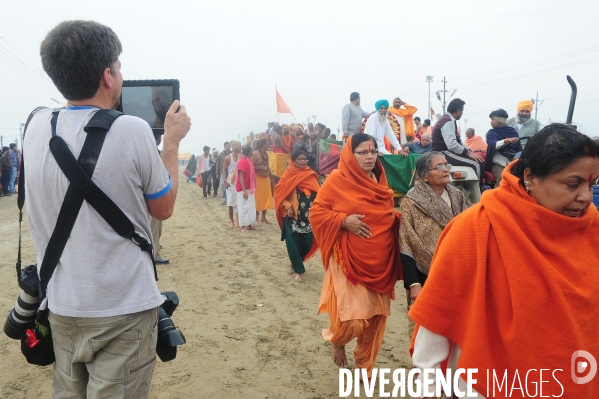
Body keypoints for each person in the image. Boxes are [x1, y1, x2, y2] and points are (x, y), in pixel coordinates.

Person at [26, 20, 190, 397]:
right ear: (108, 76)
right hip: (123, 307)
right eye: (118, 66)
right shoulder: (131, 129)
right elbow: (162, 208)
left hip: (62, 303)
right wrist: (171, 144)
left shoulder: (35, 126)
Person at [410, 124, 599, 397]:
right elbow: (436, 323)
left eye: (591, 184)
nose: (585, 196)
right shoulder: (476, 229)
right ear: (531, 177)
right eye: (573, 184)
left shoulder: (592, 231)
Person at [309, 134, 401, 381]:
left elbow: (385, 214)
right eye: (363, 152)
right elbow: (316, 212)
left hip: (381, 261)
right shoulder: (337, 180)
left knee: (375, 318)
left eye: (373, 151)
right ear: (351, 154)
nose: (370, 156)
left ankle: (364, 367)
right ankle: (337, 340)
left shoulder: (380, 181)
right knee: (353, 319)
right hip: (348, 258)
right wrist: (342, 220)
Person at [399, 152, 467, 340]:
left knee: (453, 329)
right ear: (423, 175)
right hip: (423, 276)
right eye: (439, 166)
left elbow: (466, 232)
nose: (446, 169)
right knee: (420, 330)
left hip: (454, 273)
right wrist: (413, 284)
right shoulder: (411, 202)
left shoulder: (457, 196)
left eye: (446, 165)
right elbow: (406, 244)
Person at [274, 149, 321, 282]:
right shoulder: (288, 175)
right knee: (293, 245)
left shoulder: (311, 175)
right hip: (292, 217)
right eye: (299, 159)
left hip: (309, 217)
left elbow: (319, 194)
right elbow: (278, 193)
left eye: (304, 159)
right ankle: (298, 272)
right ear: (293, 161)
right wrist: (288, 206)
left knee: (306, 244)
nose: (303, 161)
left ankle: (296, 262)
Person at [431, 98, 484, 179]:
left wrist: (470, 151)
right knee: (477, 163)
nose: (462, 113)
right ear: (458, 111)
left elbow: (458, 141)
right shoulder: (448, 121)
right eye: (462, 111)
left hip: (445, 151)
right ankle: (480, 190)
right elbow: (451, 144)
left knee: (477, 157)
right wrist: (469, 153)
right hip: (443, 153)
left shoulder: (448, 119)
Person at [485, 109, 520, 188]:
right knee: (502, 178)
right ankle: (497, 198)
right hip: (497, 163)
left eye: (493, 119)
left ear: (500, 120)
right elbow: (493, 145)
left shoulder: (512, 131)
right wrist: (506, 140)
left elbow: (517, 148)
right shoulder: (491, 133)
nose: (491, 122)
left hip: (512, 162)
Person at [251, 139, 274, 224]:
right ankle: (256, 218)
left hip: (266, 177)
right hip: (258, 178)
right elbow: (251, 166)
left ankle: (263, 217)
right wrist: (261, 168)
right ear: (263, 145)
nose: (268, 145)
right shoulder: (255, 154)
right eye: (267, 143)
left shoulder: (266, 154)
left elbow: (267, 165)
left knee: (266, 197)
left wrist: (271, 176)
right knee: (258, 198)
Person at [236, 145, 257, 233]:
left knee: (250, 207)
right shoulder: (242, 161)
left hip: (249, 188)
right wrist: (244, 190)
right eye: (252, 150)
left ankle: (249, 224)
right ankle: (243, 226)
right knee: (243, 207)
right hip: (243, 189)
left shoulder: (249, 161)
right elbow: (241, 177)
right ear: (249, 152)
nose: (253, 152)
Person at [223, 141, 241, 227]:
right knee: (230, 202)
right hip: (230, 181)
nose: (240, 147)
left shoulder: (241, 157)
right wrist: (225, 181)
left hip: (239, 181)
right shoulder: (228, 158)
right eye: (239, 146)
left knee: (239, 201)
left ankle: (237, 220)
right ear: (235, 147)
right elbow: (224, 169)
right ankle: (231, 221)